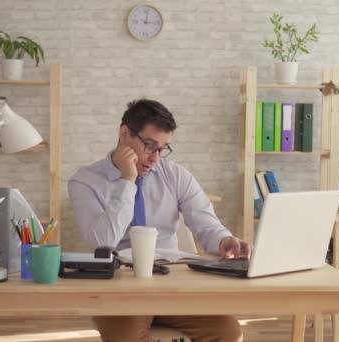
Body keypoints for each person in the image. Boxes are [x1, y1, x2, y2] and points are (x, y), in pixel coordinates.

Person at [68, 98, 250, 342]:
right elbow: (104, 241)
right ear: (124, 134)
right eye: (149, 145)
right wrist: (127, 180)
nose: (155, 157)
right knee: (127, 338)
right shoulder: (85, 181)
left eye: (162, 148)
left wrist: (225, 240)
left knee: (228, 332)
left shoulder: (175, 175)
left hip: (171, 282)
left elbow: (206, 223)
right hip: (119, 285)